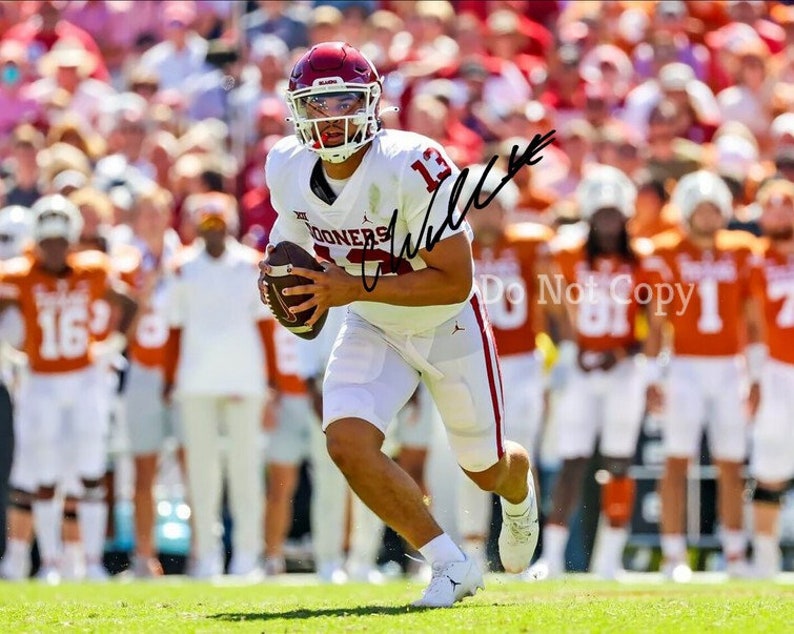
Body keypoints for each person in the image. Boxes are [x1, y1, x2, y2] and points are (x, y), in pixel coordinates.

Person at [258, 41, 538, 608]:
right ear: (296, 111)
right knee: (346, 441)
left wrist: (347, 287)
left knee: (484, 468)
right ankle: (450, 564)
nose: (330, 118)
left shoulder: (413, 162)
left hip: (445, 322)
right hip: (373, 322)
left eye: (342, 102)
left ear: (370, 104)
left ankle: (518, 487)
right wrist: (285, 282)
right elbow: (290, 242)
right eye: (317, 105)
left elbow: (453, 281)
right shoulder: (284, 165)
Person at [0, 195, 137, 583]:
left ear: (72, 239)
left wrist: (115, 343)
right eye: (48, 243)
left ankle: (92, 562)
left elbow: (128, 302)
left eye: (61, 242)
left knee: (91, 470)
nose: (55, 250)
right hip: (41, 379)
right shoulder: (20, 274)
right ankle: (50, 564)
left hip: (83, 378)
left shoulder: (91, 270)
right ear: (36, 242)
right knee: (44, 474)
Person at [528, 166, 649, 580]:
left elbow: (656, 317)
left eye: (614, 215)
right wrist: (570, 345)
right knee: (571, 459)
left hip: (623, 369)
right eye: (601, 215)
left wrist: (626, 350)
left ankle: (609, 558)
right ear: (589, 216)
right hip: (579, 367)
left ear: (626, 216)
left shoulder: (642, 258)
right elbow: (551, 299)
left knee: (619, 461)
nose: (608, 224)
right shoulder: (566, 251)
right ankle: (554, 555)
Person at [644, 170, 762, 580]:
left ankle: (734, 553)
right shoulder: (667, 251)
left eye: (715, 210)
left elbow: (753, 316)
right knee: (677, 461)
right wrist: (652, 376)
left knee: (732, 464)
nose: (709, 218)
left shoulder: (742, 250)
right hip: (685, 366)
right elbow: (657, 321)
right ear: (688, 212)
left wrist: (757, 373)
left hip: (730, 366)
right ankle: (674, 555)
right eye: (703, 210)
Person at [163, 191, 271, 579]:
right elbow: (173, 328)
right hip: (195, 381)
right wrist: (169, 378)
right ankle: (205, 554)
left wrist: (270, 381)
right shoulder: (181, 268)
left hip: (245, 377)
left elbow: (265, 327)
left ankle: (247, 554)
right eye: (206, 222)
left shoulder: (251, 265)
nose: (213, 230)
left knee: (245, 469)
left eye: (219, 221)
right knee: (202, 473)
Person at [456, 164, 552, 572]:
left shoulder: (531, 244)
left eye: (493, 205)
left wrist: (556, 353)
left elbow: (552, 305)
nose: (485, 213)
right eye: (477, 206)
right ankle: (473, 549)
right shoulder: (455, 247)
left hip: (522, 362)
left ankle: (527, 547)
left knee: (523, 453)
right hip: (473, 361)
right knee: (473, 455)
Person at [746, 179, 794, 578]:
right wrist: (756, 377)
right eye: (772, 208)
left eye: (787, 207)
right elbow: (753, 323)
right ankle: (765, 560)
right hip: (777, 369)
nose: (779, 215)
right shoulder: (755, 260)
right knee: (769, 465)